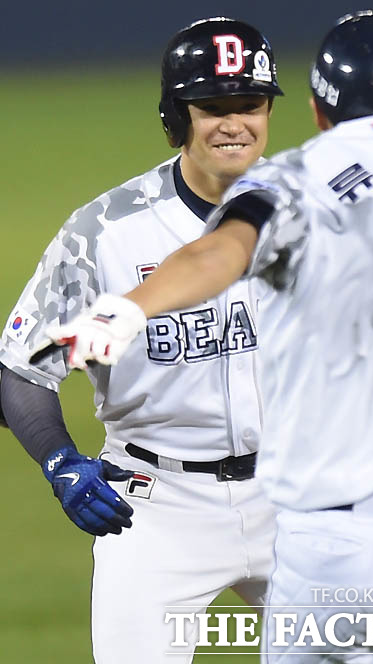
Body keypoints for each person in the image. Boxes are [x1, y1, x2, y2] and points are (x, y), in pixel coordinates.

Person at [38, 10, 373, 663]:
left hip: (329, 532)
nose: (234, 122)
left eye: (248, 103)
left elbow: (218, 252)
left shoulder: (295, 184)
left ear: (313, 110)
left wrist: (132, 309)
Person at [0, 17, 284, 664]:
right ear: (176, 116)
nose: (234, 123)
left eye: (250, 104)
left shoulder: (307, 209)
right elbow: (21, 369)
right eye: (213, 107)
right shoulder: (107, 231)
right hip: (157, 508)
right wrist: (60, 462)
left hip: (292, 498)